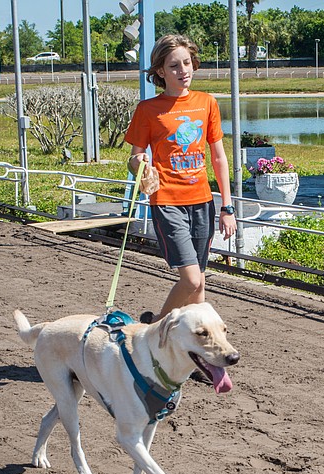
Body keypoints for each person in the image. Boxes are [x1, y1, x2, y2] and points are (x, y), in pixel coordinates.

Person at [125, 34, 236, 324]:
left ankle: (193, 353)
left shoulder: (207, 102)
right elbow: (134, 160)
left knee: (199, 284)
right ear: (161, 71)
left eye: (187, 63)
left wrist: (227, 207)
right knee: (190, 280)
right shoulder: (147, 110)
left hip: (202, 202)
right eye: (174, 65)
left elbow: (219, 158)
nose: (183, 70)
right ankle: (158, 327)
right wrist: (140, 163)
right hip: (166, 201)